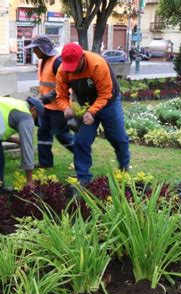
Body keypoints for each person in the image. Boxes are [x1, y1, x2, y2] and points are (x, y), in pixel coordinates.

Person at [55, 43, 130, 184]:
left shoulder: (97, 64)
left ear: (82, 58)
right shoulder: (63, 70)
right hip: (86, 104)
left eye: (75, 65)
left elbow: (105, 93)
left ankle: (124, 167)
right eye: (69, 66)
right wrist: (65, 107)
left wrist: (92, 112)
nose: (73, 69)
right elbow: (61, 95)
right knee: (81, 141)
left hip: (109, 103)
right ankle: (83, 177)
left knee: (118, 138)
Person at [24, 35, 74, 168]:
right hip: (46, 107)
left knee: (62, 135)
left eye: (35, 49)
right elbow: (45, 84)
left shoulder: (58, 61)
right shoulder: (42, 62)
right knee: (43, 132)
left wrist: (46, 98)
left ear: (43, 48)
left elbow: (64, 85)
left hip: (59, 107)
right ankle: (45, 162)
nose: (34, 52)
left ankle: (82, 153)